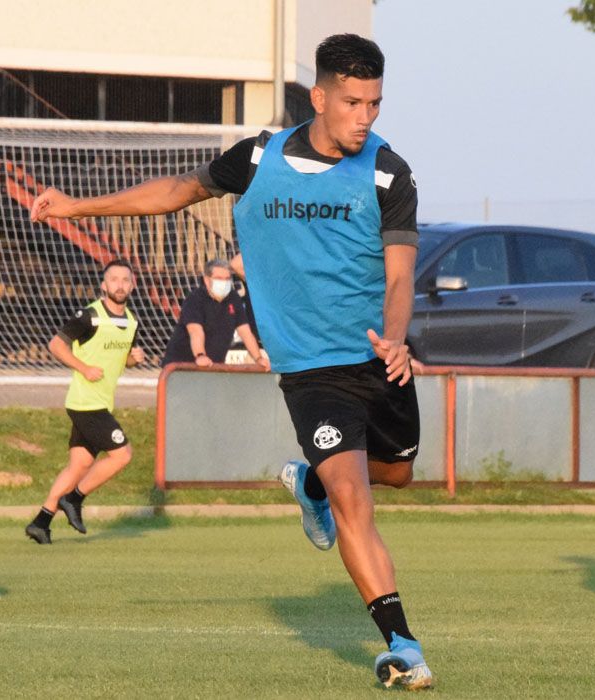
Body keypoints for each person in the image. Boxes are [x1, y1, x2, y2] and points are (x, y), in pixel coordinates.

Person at [29, 34, 431, 689]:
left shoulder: (390, 173)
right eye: (353, 102)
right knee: (355, 499)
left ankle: (308, 485)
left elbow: (399, 277)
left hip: (377, 361)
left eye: (376, 103)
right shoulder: (260, 156)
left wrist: (393, 335)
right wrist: (78, 205)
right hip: (309, 369)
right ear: (320, 98)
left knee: (396, 473)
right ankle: (403, 646)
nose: (366, 116)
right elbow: (177, 191)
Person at [25, 259, 145, 544]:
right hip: (85, 403)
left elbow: (120, 358)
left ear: (133, 285)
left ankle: (41, 522)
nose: (119, 284)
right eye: (113, 279)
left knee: (79, 465)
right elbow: (55, 344)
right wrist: (83, 367)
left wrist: (133, 359)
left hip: (101, 403)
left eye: (125, 279)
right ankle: (74, 498)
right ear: (104, 285)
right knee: (122, 454)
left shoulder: (130, 321)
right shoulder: (90, 316)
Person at [160, 259, 269, 370]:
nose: (224, 282)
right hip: (181, 366)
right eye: (219, 279)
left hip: (212, 366)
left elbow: (245, 332)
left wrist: (258, 359)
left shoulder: (233, 298)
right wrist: (200, 355)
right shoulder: (195, 299)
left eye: (227, 279)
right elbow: (195, 331)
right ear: (207, 280)